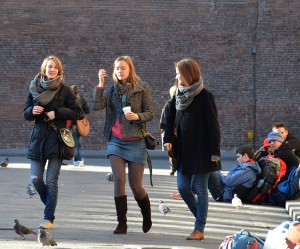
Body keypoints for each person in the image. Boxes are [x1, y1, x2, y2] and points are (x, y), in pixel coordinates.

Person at [92, 55, 154, 234]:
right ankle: (122, 222)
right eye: (117, 68)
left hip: (136, 142)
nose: (120, 71)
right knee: (119, 179)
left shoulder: (142, 88)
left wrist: (137, 116)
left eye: (123, 68)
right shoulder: (112, 90)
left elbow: (150, 113)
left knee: (136, 187)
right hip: (115, 141)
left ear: (130, 69)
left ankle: (146, 214)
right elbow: (97, 106)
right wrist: (100, 84)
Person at [163, 58, 221, 241]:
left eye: (179, 73)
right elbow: (170, 118)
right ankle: (200, 217)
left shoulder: (205, 96)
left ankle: (199, 229)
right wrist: (168, 140)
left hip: (202, 151)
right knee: (183, 187)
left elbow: (213, 126)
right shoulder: (178, 95)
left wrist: (215, 152)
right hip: (183, 151)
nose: (176, 76)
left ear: (188, 74)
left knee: (200, 188)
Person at [23, 55, 83, 229]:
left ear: (59, 70)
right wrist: (32, 110)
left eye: (55, 67)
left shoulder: (65, 90)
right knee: (35, 179)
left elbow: (78, 112)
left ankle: (48, 219)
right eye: (49, 67)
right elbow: (25, 113)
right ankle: (50, 207)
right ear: (44, 69)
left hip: (57, 139)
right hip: (38, 138)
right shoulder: (34, 88)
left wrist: (57, 113)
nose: (52, 70)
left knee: (51, 181)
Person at [70, 85, 90, 167]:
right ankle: (79, 160)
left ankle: (76, 160)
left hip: (72, 123)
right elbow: (87, 110)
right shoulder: (81, 99)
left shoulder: (68, 100)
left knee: (74, 144)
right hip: (80, 123)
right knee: (78, 144)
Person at [159, 84, 177, 175]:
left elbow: (163, 119)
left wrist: (162, 129)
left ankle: (174, 168)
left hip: (173, 131)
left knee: (172, 151)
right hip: (171, 131)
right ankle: (174, 168)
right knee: (171, 150)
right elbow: (164, 118)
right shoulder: (169, 105)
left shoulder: (170, 104)